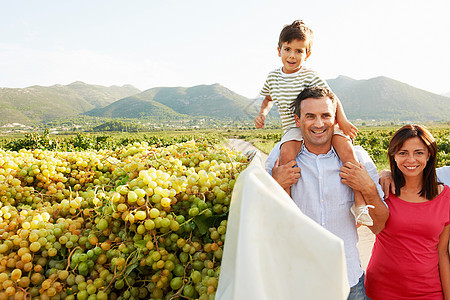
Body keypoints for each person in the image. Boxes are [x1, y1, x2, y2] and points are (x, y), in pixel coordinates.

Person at [266, 86, 389, 299]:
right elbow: (261, 220)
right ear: (297, 120)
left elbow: (379, 225)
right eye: (310, 116)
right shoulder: (280, 157)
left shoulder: (356, 158)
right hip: (297, 284)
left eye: (325, 116)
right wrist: (275, 184)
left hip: (349, 283)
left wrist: (367, 187)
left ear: (335, 119)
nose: (319, 123)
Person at [254, 20, 372, 226]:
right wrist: (262, 113)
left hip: (319, 124)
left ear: (307, 54)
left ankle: (359, 204)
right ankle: (286, 203)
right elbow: (267, 98)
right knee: (285, 156)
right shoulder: (273, 77)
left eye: (299, 51)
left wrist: (341, 120)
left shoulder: (309, 75)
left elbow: (331, 98)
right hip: (293, 127)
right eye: (287, 49)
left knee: (346, 150)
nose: (292, 55)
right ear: (278, 50)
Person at [363, 124, 450, 299]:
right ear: (393, 156)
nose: (411, 160)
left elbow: (442, 252)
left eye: (419, 152)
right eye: (403, 153)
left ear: (429, 155)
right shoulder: (382, 190)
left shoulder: (446, 197)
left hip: (429, 292)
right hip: (381, 290)